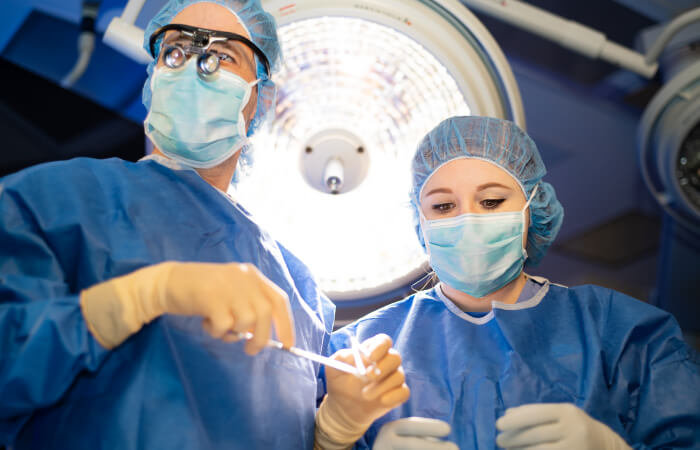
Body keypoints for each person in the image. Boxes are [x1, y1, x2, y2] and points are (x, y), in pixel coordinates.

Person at [0, 1, 407, 448]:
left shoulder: (302, 294)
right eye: (175, 51)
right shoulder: (53, 199)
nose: (195, 66)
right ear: (153, 80)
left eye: (223, 55)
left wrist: (334, 430)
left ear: (259, 98)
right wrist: (142, 295)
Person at [331, 116, 700, 449]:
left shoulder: (620, 334)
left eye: (491, 201)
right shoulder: (361, 350)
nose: (469, 221)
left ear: (531, 212)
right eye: (443, 207)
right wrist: (334, 436)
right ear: (420, 222)